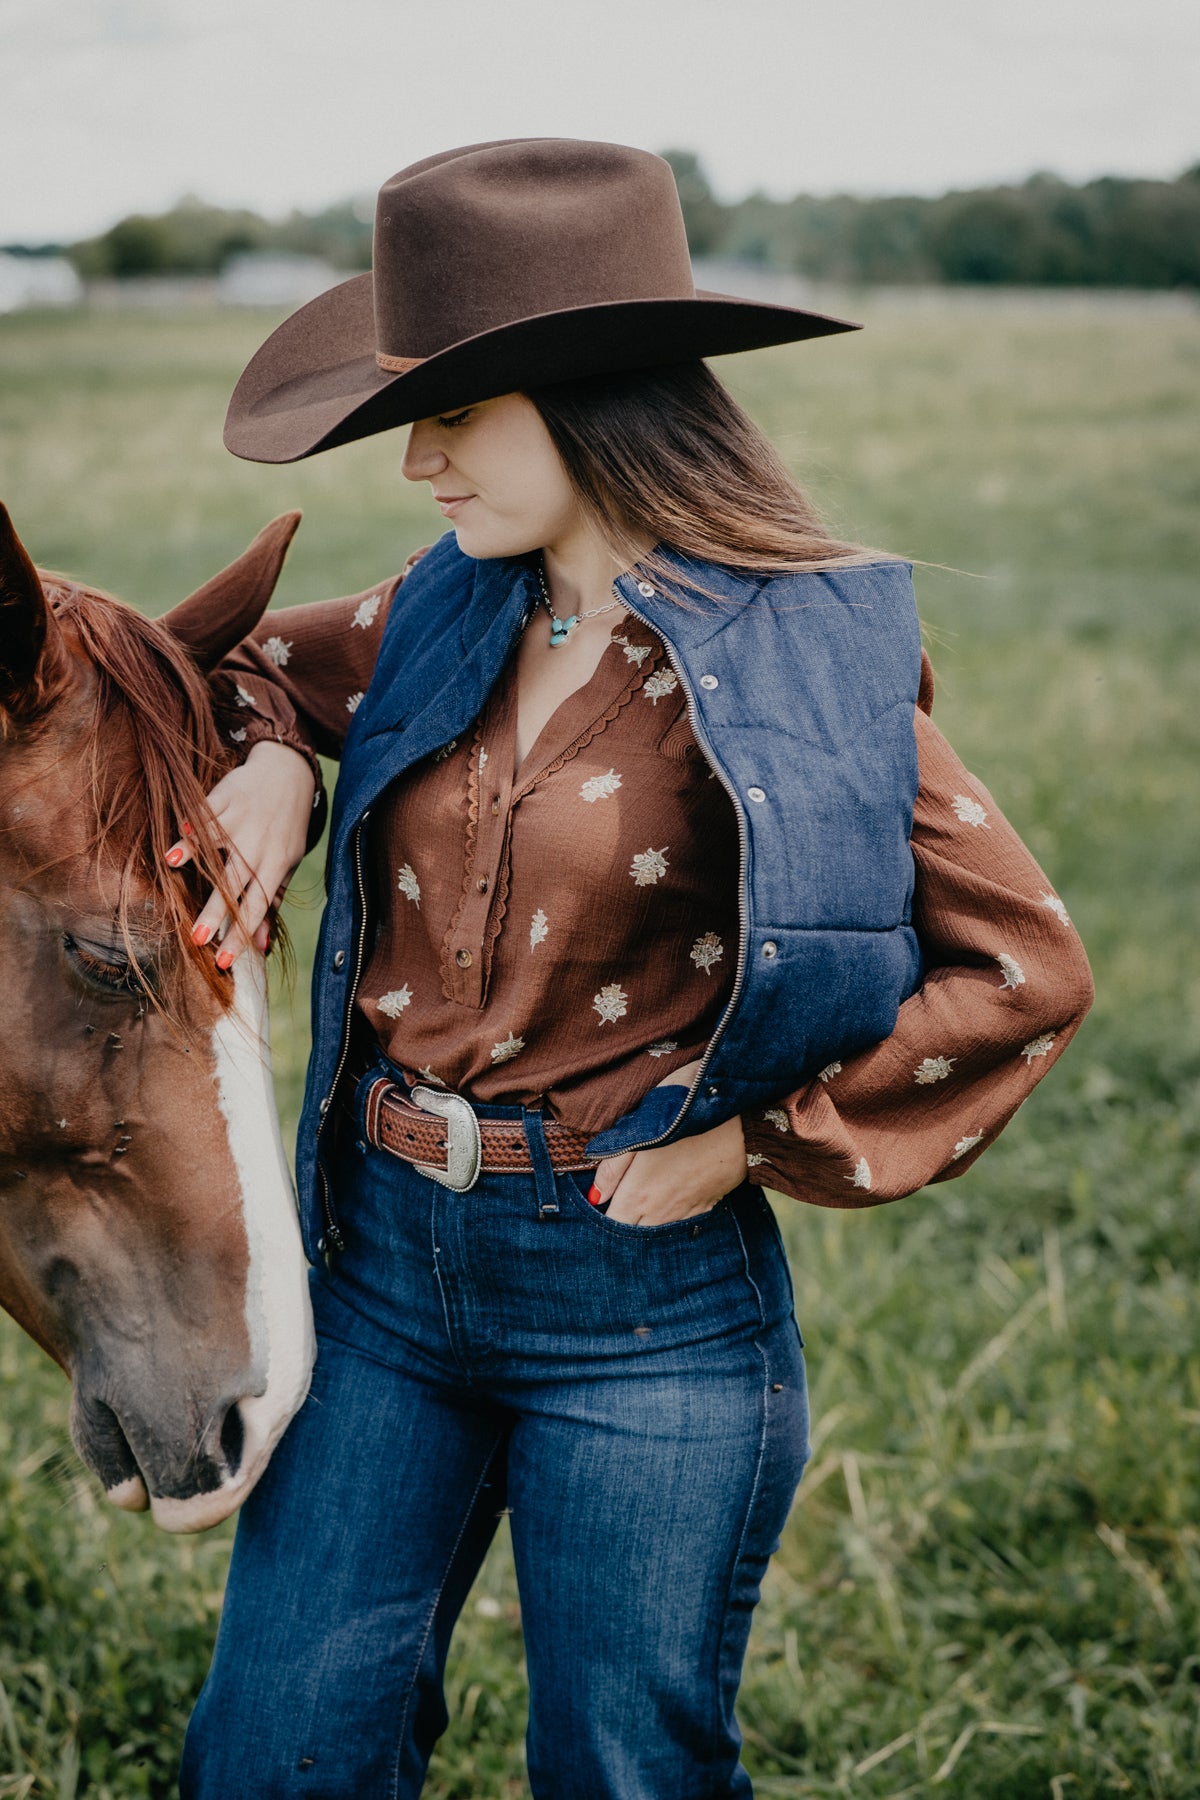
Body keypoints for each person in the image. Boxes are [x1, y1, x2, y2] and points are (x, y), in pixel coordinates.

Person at [176, 140, 1092, 1799]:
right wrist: (279, 762)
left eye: (456, 413)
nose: (421, 463)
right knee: (275, 1751)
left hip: (644, 1302)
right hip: (378, 1266)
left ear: (592, 397)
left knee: (624, 1769)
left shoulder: (806, 658)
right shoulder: (436, 609)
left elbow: (1025, 969)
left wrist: (758, 1141)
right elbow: (234, 663)